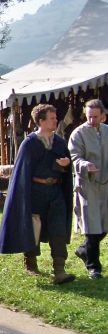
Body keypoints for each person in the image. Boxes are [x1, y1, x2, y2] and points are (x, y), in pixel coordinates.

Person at [0, 103, 75, 284]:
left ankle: (59, 269)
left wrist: (65, 165)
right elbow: (22, 172)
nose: (56, 120)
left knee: (58, 228)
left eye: (55, 117)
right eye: (52, 118)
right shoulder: (30, 143)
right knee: (33, 227)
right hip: (35, 191)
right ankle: (31, 263)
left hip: (55, 191)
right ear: (41, 121)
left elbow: (65, 165)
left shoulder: (60, 142)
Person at [68, 99, 108, 279]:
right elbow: (74, 157)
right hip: (88, 185)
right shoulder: (78, 134)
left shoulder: (107, 132)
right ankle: (94, 267)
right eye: (89, 117)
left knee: (104, 224)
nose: (92, 120)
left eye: (96, 117)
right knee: (92, 226)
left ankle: (83, 249)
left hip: (106, 185)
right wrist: (85, 165)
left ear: (103, 115)